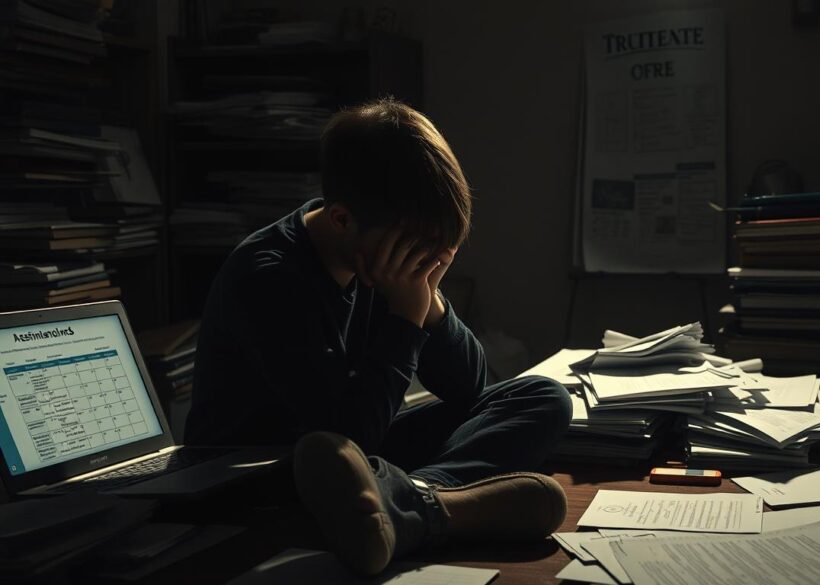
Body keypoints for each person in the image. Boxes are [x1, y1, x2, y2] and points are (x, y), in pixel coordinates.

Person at [184, 98, 573, 575]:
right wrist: (405, 320)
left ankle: (406, 507)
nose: (422, 264)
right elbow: (347, 437)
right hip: (267, 474)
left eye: (434, 256)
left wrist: (428, 300)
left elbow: (470, 388)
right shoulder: (270, 278)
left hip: (360, 462)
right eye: (414, 253)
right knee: (340, 461)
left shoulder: (381, 255)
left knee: (542, 396)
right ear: (342, 219)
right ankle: (426, 508)